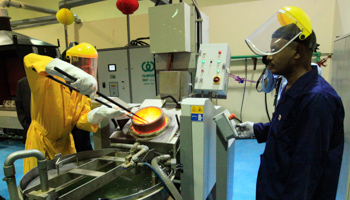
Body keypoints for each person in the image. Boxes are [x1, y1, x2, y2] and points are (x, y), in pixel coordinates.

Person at [238, 6, 345, 199]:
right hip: (274, 188)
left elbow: (306, 172)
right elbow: (288, 128)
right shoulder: (292, 88)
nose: (268, 57)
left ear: (297, 52)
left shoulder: (317, 100)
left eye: (275, 50)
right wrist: (256, 130)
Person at [23, 43, 126, 173]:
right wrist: (72, 73)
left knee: (66, 182)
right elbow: (29, 59)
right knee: (39, 184)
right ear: (69, 64)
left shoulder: (81, 90)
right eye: (83, 67)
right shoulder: (45, 80)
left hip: (65, 144)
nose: (87, 72)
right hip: (41, 142)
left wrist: (98, 114)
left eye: (90, 67)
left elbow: (80, 120)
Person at [15, 77, 31, 144]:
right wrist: (27, 126)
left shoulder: (52, 80)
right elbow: (20, 108)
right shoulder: (22, 83)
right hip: (29, 131)